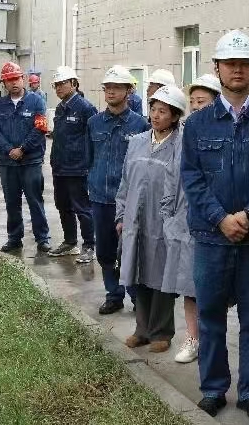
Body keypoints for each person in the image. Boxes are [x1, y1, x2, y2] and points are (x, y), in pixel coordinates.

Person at [181, 30, 249, 421]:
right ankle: (213, 389)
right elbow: (191, 178)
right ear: (218, 68)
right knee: (210, 316)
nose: (238, 70)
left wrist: (248, 215)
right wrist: (221, 219)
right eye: (231, 64)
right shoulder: (197, 125)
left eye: (245, 64)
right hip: (211, 238)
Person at [117, 85, 188, 353]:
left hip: (164, 221)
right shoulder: (137, 142)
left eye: (163, 111)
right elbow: (125, 182)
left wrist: (176, 222)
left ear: (175, 116)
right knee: (138, 272)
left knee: (162, 276)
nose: (156, 116)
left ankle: (162, 332)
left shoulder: (181, 145)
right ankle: (142, 329)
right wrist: (121, 215)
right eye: (154, 110)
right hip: (135, 220)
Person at [162, 76, 217, 365]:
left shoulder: (225, 134)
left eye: (202, 101)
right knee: (188, 284)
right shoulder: (183, 136)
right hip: (185, 221)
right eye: (192, 102)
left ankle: (211, 339)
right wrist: (168, 217)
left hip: (216, 222)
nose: (195, 106)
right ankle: (193, 338)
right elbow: (171, 177)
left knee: (212, 287)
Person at [87, 65, 150, 315]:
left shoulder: (140, 124)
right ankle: (113, 294)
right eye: (107, 87)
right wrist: (90, 185)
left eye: (116, 87)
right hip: (100, 198)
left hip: (128, 201)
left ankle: (136, 296)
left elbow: (145, 165)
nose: (111, 92)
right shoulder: (94, 123)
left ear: (128, 91)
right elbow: (88, 158)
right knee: (105, 250)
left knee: (131, 249)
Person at [0, 62, 51, 253]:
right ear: (4, 83)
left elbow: (40, 128)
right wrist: (10, 150)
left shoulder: (37, 101)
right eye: (9, 80)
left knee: (35, 200)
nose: (13, 83)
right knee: (12, 202)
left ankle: (42, 238)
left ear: (23, 79)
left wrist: (23, 149)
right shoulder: (0, 105)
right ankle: (14, 238)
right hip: (7, 162)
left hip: (31, 161)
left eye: (16, 78)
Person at [47, 65, 98, 263]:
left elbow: (94, 138)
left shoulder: (85, 108)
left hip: (77, 168)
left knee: (82, 208)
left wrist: (89, 163)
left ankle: (89, 245)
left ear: (74, 84)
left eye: (62, 83)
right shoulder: (60, 108)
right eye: (56, 85)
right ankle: (70, 242)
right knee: (63, 205)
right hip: (60, 166)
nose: (59, 88)